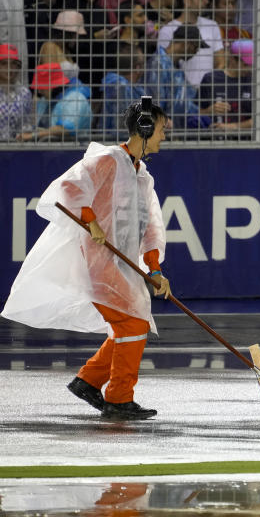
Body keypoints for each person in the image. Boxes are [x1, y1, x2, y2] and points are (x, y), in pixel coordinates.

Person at [3, 99, 171, 420]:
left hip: (123, 267)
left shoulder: (142, 177)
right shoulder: (108, 160)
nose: (164, 137)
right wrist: (90, 219)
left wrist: (156, 269)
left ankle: (89, 381)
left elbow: (151, 228)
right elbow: (68, 187)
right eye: (162, 130)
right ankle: (119, 399)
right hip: (98, 264)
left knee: (130, 325)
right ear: (145, 129)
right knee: (132, 323)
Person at [18, 61, 93, 142]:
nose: (39, 91)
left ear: (53, 85)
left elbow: (65, 128)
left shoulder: (76, 100)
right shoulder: (46, 100)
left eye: (41, 87)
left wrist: (32, 135)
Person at [0, 44, 31, 140]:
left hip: (15, 149)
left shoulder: (24, 93)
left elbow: (25, 124)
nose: (9, 68)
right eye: (4, 63)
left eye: (13, 63)